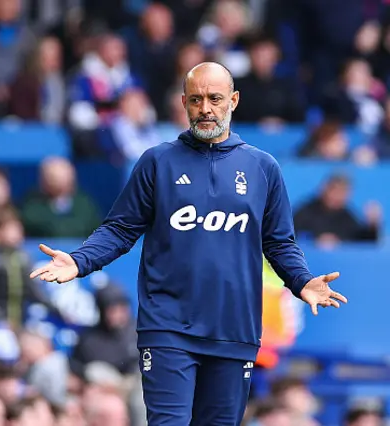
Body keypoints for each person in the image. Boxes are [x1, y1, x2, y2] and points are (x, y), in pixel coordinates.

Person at [30, 62, 348, 426]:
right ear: (184, 103)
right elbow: (119, 228)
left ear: (234, 100)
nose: (206, 108)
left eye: (215, 98)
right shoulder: (157, 162)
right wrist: (79, 260)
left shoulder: (263, 168)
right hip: (168, 327)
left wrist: (301, 280)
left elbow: (279, 243)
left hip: (235, 329)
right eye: (196, 99)